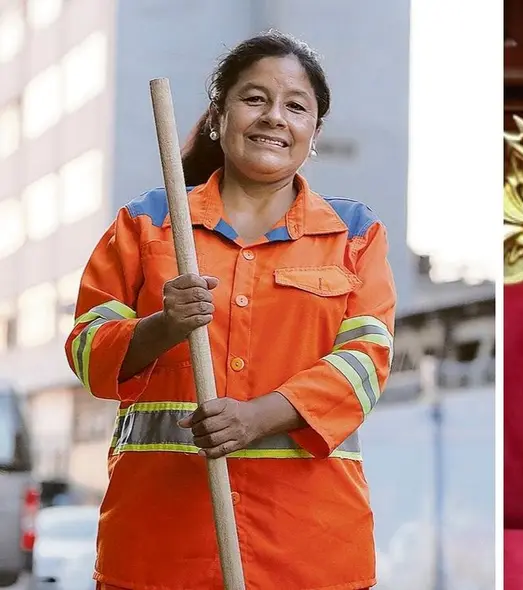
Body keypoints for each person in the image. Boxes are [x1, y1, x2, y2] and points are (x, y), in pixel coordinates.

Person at [65, 30, 395, 590]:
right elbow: (86, 349)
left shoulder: (354, 236)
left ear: (314, 132)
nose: (274, 117)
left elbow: (367, 361)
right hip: (158, 551)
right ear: (219, 115)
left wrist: (260, 415)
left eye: (296, 106)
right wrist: (163, 325)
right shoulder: (147, 224)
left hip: (309, 553)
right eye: (254, 98)